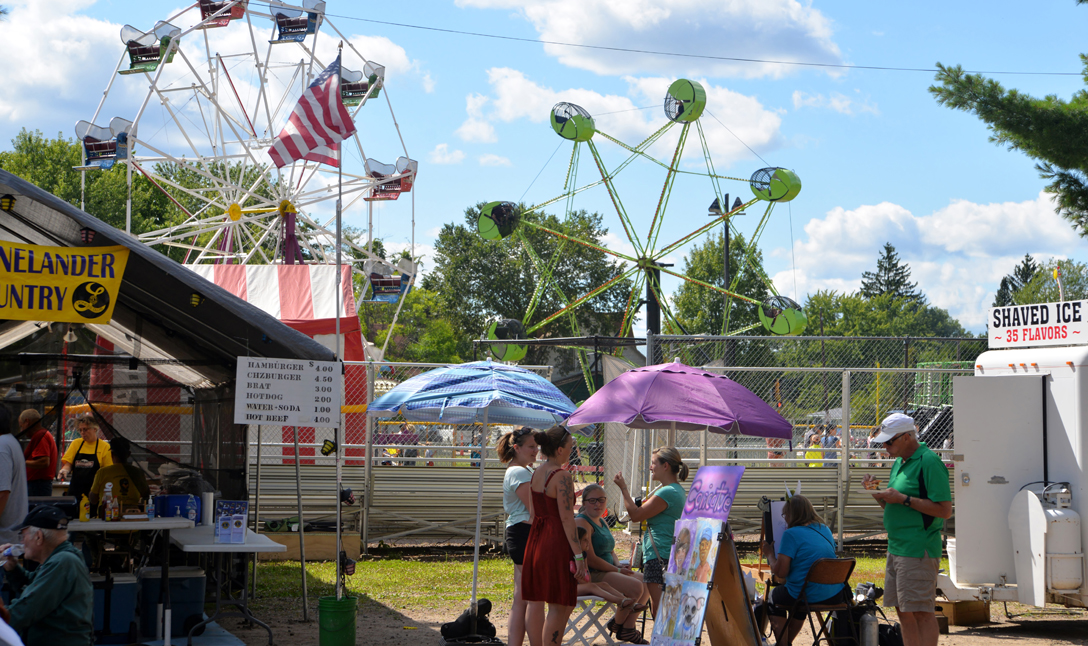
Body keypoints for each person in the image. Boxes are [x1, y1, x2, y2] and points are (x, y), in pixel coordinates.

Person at [863, 413, 951, 646]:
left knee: (921, 611)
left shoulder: (929, 462)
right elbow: (894, 504)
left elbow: (944, 510)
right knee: (903, 610)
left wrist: (903, 498)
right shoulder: (901, 462)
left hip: (917, 549)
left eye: (889, 441)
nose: (884, 446)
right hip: (898, 547)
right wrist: (876, 491)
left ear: (906, 437)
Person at [523, 426, 585, 646]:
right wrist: (579, 555)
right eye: (570, 447)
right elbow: (567, 519)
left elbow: (533, 513)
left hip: (537, 539)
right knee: (560, 604)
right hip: (556, 541)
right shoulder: (562, 476)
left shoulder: (536, 473)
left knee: (545, 601)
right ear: (560, 449)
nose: (571, 451)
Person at [0, 505, 94, 646]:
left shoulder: (63, 562)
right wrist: (13, 569)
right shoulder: (62, 558)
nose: (21, 542)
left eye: (23, 535)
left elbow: (27, 608)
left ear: (38, 537)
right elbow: (34, 588)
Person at [760, 495, 848, 645]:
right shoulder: (824, 529)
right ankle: (786, 642)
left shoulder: (791, 534)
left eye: (785, 514)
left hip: (808, 595)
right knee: (800, 600)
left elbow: (781, 573)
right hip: (835, 594)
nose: (785, 518)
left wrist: (769, 554)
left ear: (792, 515)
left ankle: (782, 643)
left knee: (773, 597)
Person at [615, 446, 688, 617]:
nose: (650, 467)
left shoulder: (667, 492)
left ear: (665, 466)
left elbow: (635, 515)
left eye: (653, 463)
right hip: (665, 553)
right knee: (665, 608)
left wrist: (623, 488)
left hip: (659, 556)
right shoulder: (676, 490)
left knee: (659, 611)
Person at [575, 483, 649, 643]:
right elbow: (592, 558)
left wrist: (618, 565)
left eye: (601, 500)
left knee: (647, 580)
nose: (597, 504)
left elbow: (611, 550)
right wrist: (617, 570)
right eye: (592, 500)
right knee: (636, 586)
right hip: (592, 573)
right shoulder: (582, 522)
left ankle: (626, 627)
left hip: (609, 570)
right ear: (584, 503)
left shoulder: (602, 521)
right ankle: (619, 623)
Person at [498, 427, 538, 646]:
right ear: (517, 448)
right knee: (532, 597)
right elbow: (534, 511)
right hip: (524, 533)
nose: (536, 451)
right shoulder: (519, 472)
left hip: (520, 532)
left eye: (536, 446)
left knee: (522, 596)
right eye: (531, 447)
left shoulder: (523, 470)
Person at [87, 436, 150, 518]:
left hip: (107, 523)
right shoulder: (138, 472)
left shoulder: (102, 472)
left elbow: (93, 500)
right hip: (132, 523)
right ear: (129, 454)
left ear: (111, 454)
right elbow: (146, 494)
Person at [574, 527, 635, 610]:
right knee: (592, 587)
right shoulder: (570, 557)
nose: (588, 542)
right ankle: (620, 601)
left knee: (604, 584)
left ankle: (627, 601)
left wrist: (584, 579)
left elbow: (588, 579)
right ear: (576, 542)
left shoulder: (583, 555)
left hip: (581, 586)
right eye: (585, 540)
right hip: (568, 588)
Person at [56, 415, 112, 503]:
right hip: (75, 491)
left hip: (93, 494)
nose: (82, 432)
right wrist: (64, 471)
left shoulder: (104, 447)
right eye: (80, 430)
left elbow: (107, 472)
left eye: (85, 429)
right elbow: (68, 464)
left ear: (95, 429)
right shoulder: (76, 444)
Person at [0, 407, 28, 544]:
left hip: (4, 537)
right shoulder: (10, 441)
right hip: (12, 532)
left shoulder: (1, 447)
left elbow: (2, 492)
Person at [20, 411, 56, 498]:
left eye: (21, 426)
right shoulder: (43, 434)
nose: (21, 430)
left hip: (37, 486)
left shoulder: (41, 435)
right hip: (38, 485)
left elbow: (44, 462)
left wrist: (21, 461)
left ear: (27, 422)